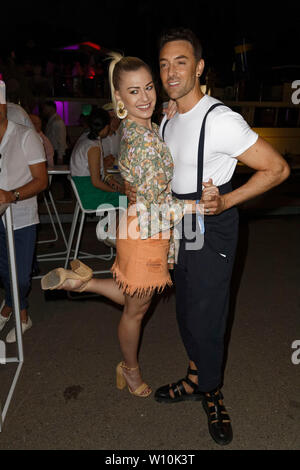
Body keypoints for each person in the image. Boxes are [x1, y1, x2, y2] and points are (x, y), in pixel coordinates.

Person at [149, 28, 290, 445]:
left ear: (199, 67)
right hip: (180, 221)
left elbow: (277, 169)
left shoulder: (222, 119)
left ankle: (211, 391)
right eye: (164, 63)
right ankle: (195, 376)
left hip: (212, 223)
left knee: (208, 314)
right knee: (186, 308)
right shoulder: (169, 116)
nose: (171, 71)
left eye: (181, 61)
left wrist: (227, 203)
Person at [41, 53, 208, 398]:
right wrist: (194, 205)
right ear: (119, 99)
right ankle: (129, 369)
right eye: (134, 92)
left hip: (139, 228)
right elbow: (156, 206)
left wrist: (167, 116)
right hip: (147, 231)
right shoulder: (143, 140)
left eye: (148, 87)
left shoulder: (137, 128)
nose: (145, 97)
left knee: (135, 300)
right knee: (136, 310)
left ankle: (84, 283)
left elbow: (146, 173)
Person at [0, 80, 48, 343]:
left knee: (19, 274)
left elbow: (42, 180)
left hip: (20, 214)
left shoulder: (25, 135)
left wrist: (12, 194)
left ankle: (22, 314)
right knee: (3, 269)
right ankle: (10, 306)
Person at [70, 107, 123, 210]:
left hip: (86, 192)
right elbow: (96, 182)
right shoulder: (93, 147)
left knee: (125, 196)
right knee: (129, 200)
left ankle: (114, 225)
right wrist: (115, 191)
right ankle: (115, 226)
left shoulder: (85, 139)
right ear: (106, 126)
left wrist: (111, 181)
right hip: (91, 196)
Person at [42, 100, 67, 165]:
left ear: (51, 108)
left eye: (45, 108)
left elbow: (61, 140)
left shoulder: (57, 121)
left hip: (56, 152)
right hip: (52, 152)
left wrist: (60, 157)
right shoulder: (51, 120)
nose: (43, 111)